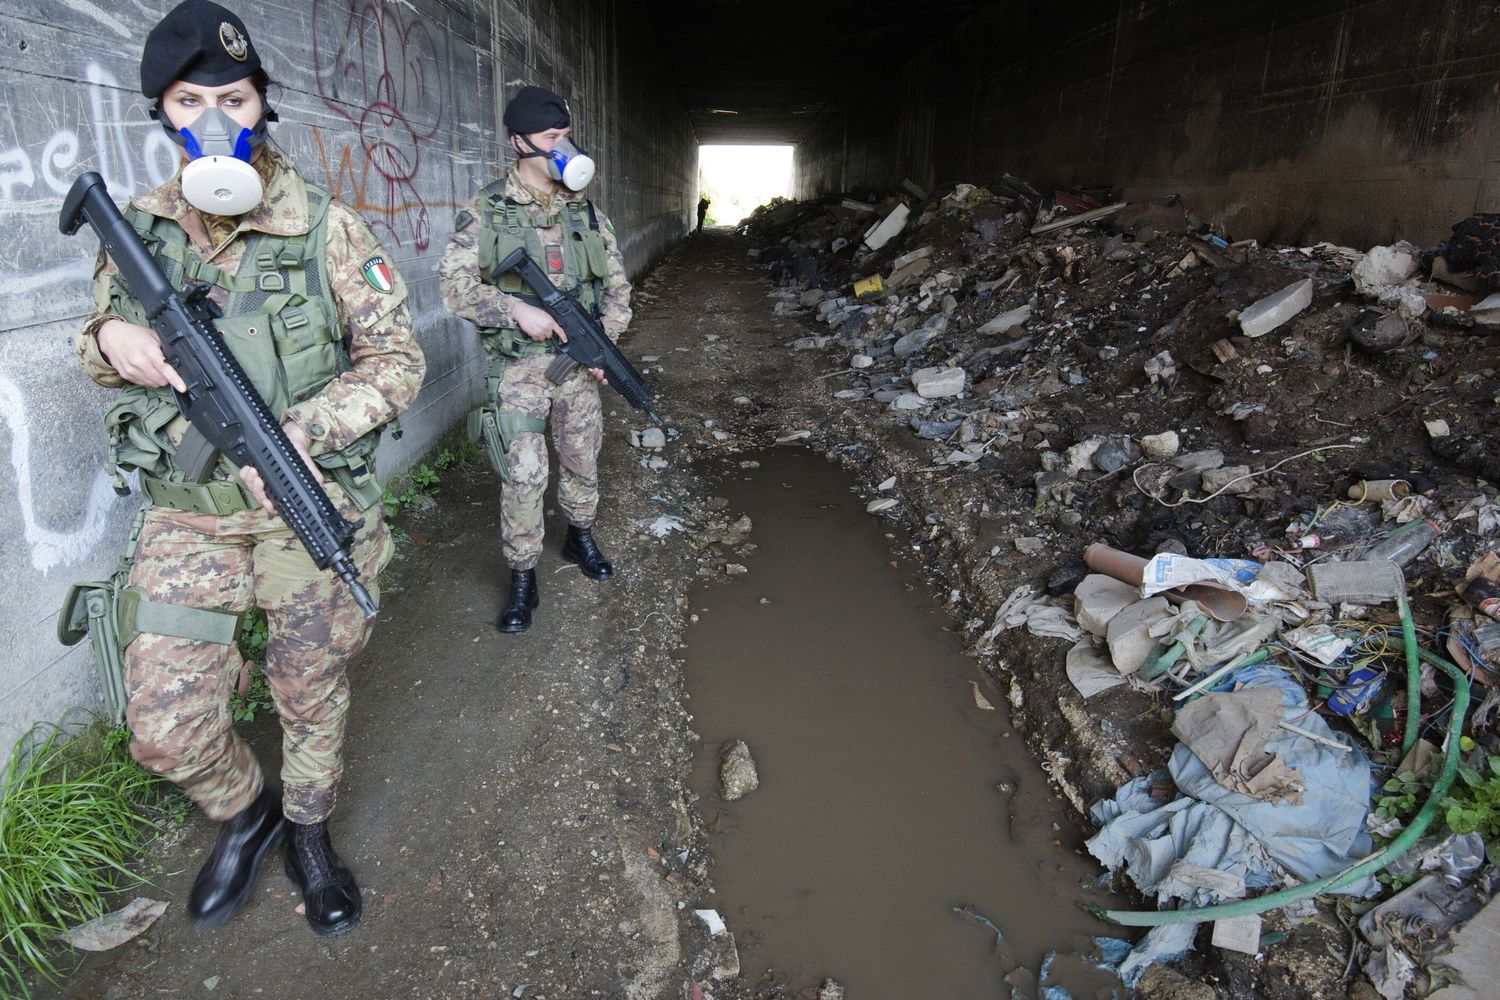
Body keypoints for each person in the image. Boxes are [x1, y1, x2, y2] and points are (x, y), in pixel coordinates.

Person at [74, 0, 425, 936]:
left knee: (309, 687)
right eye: (190, 101)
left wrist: (306, 428)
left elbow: (399, 361)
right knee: (163, 726)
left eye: (233, 98)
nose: (214, 118)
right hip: (191, 511)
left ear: (263, 104)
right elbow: (96, 336)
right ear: (163, 113)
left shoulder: (328, 228)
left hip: (302, 495)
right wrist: (109, 339)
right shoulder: (137, 228)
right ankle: (245, 811)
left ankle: (307, 831)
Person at [439, 85, 632, 634]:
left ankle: (580, 536)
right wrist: (513, 309)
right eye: (551, 138)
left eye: (566, 136)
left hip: (577, 366)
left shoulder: (586, 212)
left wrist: (603, 346)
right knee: (524, 474)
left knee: (582, 458)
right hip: (519, 369)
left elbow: (618, 289)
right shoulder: (486, 209)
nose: (563, 149)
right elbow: (453, 288)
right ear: (519, 142)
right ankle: (522, 574)